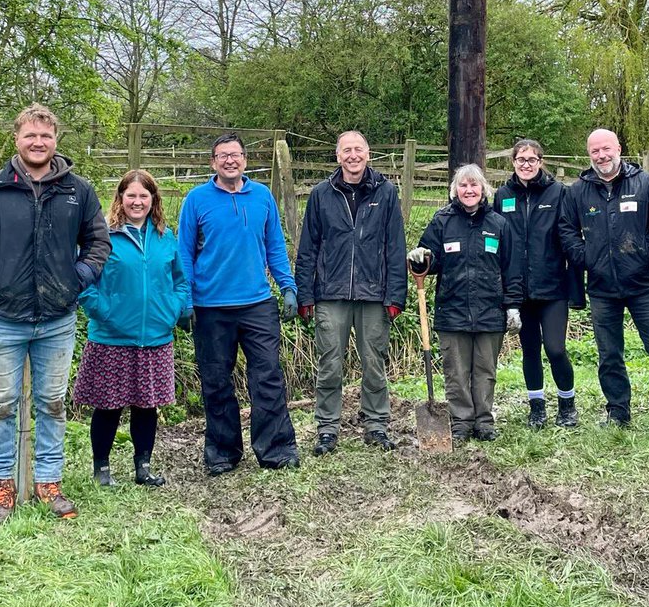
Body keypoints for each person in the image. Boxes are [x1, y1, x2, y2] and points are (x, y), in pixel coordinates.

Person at [0, 103, 111, 524]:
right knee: (1, 405)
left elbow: (98, 243)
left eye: (46, 136)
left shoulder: (78, 190)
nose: (38, 142)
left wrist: (79, 277)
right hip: (4, 316)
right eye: (29, 136)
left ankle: (48, 482)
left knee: (53, 403)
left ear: (56, 140)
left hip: (57, 318)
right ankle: (1, 486)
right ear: (16, 139)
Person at [177, 133, 299, 475]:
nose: (230, 161)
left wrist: (288, 286)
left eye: (236, 155)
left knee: (268, 377)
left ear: (245, 160)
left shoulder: (261, 197)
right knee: (216, 380)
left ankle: (276, 449)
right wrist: (185, 298)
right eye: (222, 156)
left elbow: (275, 245)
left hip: (257, 303)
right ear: (213, 162)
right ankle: (222, 451)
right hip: (211, 306)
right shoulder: (197, 200)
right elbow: (183, 254)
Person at [559, 128, 649, 429]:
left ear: (618, 148)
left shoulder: (643, 183)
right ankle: (618, 411)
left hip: (643, 284)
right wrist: (586, 258)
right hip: (602, 287)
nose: (602, 156)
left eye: (606, 149)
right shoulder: (578, 190)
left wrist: (645, 255)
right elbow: (566, 230)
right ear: (588, 154)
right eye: (595, 151)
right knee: (609, 354)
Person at [74, 170, 192, 486]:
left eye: (144, 196)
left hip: (155, 335)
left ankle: (143, 467)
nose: (137, 202)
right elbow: (83, 281)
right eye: (131, 196)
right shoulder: (103, 236)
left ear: (153, 199)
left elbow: (180, 281)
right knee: (108, 406)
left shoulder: (166, 237)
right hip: (111, 336)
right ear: (120, 198)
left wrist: (174, 309)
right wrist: (102, 310)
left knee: (146, 405)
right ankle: (102, 469)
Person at [295, 130, 407, 456]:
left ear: (368, 154)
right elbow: (308, 249)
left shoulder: (386, 193)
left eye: (358, 149)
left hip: (374, 294)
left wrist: (395, 296)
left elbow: (395, 247)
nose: (353, 155)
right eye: (347, 150)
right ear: (338, 155)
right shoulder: (321, 194)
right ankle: (328, 429)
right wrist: (306, 294)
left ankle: (376, 425)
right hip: (331, 293)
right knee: (330, 363)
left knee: (375, 362)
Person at [407, 164, 522, 443]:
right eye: (463, 186)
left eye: (474, 185)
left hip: (490, 311)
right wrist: (420, 258)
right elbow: (428, 262)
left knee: (485, 371)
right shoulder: (442, 222)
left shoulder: (499, 224)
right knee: (456, 372)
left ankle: (484, 421)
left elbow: (512, 269)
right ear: (455, 191)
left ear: (483, 190)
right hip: (453, 310)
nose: (469, 190)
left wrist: (513, 306)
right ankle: (460, 422)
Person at [494, 138, 579, 429]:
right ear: (513, 163)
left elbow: (569, 237)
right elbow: (497, 239)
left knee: (555, 349)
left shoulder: (558, 193)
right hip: (518, 289)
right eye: (521, 160)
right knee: (530, 349)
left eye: (532, 159)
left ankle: (567, 404)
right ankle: (537, 407)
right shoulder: (502, 195)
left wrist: (576, 283)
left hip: (552, 287)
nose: (526, 164)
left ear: (541, 162)